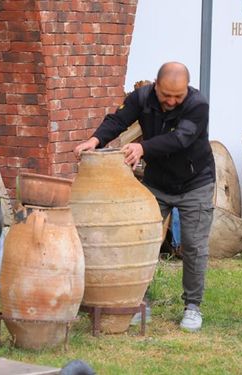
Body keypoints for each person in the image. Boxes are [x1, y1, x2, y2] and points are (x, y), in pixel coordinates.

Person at [74, 62, 215, 332]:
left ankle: (193, 307)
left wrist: (142, 147)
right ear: (155, 85)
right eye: (166, 96)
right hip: (157, 183)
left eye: (178, 96)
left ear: (187, 89)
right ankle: (138, 301)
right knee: (141, 240)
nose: (172, 101)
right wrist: (95, 140)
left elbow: (181, 139)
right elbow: (117, 121)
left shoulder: (198, 105)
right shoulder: (141, 98)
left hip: (195, 183)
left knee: (194, 246)